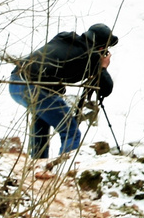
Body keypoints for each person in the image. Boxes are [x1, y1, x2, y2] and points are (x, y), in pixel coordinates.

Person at [8, 23, 118, 161]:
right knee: (71, 132)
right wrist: (102, 67)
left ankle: (37, 164)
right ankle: (64, 169)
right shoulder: (88, 57)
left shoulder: (64, 38)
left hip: (15, 82)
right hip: (33, 89)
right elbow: (106, 89)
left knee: (41, 122)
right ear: (102, 47)